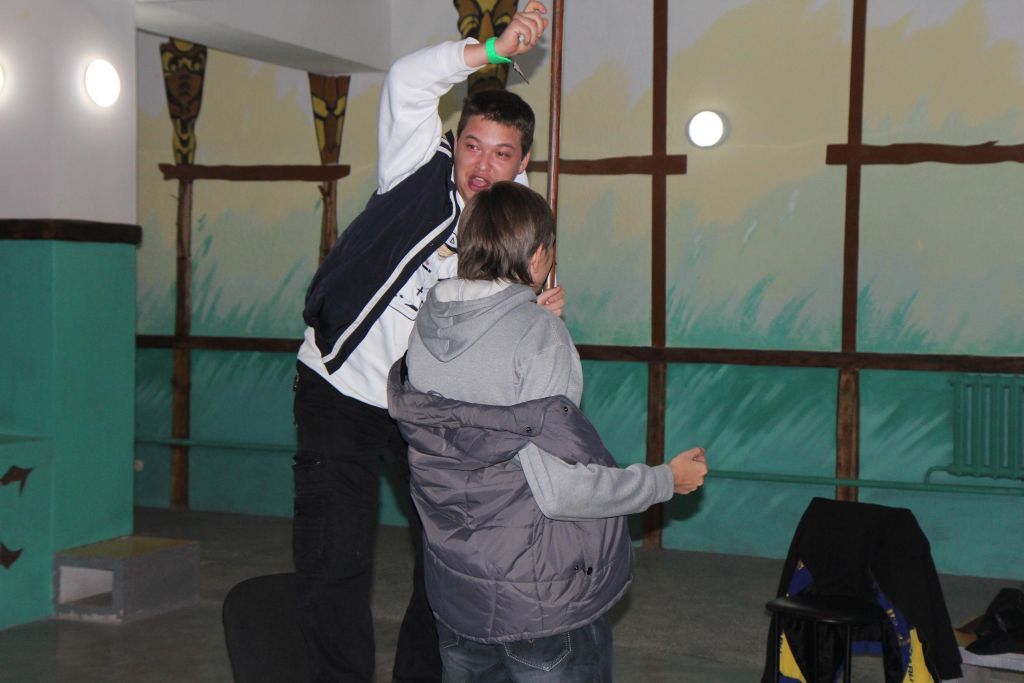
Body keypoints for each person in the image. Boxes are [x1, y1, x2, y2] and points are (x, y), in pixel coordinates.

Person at [293, 5, 557, 681]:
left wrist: (537, 309)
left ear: (522, 161)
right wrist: (490, 50)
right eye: (472, 145)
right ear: (455, 140)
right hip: (341, 387)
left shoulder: (519, 226)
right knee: (335, 554)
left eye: (502, 153)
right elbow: (407, 80)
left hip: (429, 411)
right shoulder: (416, 164)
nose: (482, 165)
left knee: (449, 557)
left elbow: (510, 331)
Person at [387, 181, 709, 682]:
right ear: (538, 256)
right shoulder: (539, 336)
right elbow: (559, 490)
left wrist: (526, 315)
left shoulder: (425, 328)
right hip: (539, 601)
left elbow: (476, 405)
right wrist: (665, 480)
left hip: (457, 596)